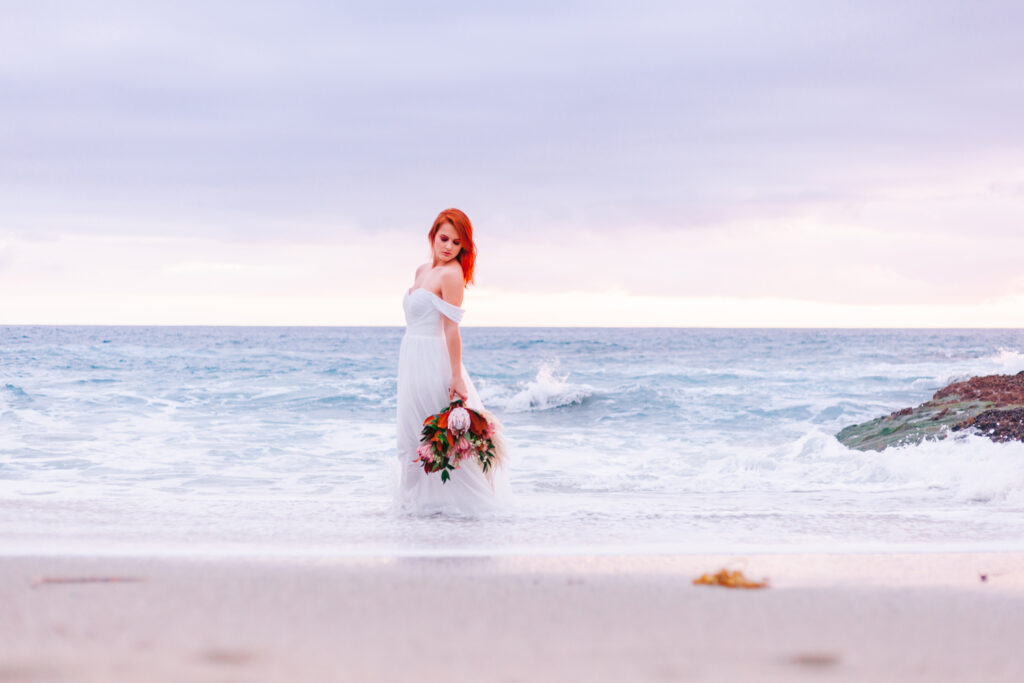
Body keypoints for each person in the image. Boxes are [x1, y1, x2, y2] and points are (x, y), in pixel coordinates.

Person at [395, 208, 510, 514]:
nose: (448, 247)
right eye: (444, 238)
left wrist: (456, 375)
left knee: (438, 435)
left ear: (463, 247)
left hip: (435, 359)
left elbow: (451, 329)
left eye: (456, 243)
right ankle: (413, 507)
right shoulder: (421, 271)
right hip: (411, 359)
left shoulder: (452, 274)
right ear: (432, 235)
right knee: (408, 435)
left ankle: (464, 510)